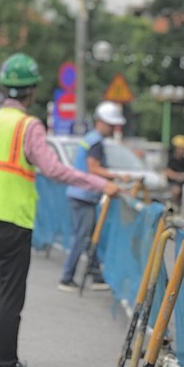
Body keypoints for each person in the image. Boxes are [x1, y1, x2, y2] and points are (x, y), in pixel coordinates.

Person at [0, 53, 121, 367]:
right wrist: (100, 184)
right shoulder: (28, 126)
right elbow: (54, 169)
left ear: (6, 88)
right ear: (31, 90)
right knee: (9, 298)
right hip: (13, 221)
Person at [57, 101, 129, 292]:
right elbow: (93, 168)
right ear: (101, 122)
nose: (113, 128)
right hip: (83, 195)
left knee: (90, 236)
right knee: (82, 237)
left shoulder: (89, 138)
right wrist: (116, 177)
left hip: (80, 194)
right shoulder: (95, 142)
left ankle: (96, 275)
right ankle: (67, 277)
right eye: (111, 125)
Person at [165, 134, 184, 208]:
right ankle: (172, 207)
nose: (183, 151)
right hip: (170, 184)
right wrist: (178, 176)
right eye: (181, 148)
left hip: (183, 184)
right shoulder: (170, 159)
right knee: (176, 190)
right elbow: (168, 172)